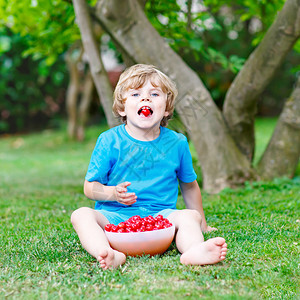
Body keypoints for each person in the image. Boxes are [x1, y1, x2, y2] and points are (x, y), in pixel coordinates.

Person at [71, 64, 227, 270]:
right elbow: (90, 187)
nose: (145, 99)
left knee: (190, 217)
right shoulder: (109, 141)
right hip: (115, 220)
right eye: (136, 94)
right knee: (81, 215)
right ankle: (109, 253)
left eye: (154, 94)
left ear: (167, 108)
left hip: (161, 218)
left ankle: (193, 250)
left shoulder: (177, 143)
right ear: (121, 108)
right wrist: (112, 194)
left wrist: (203, 224)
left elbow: (189, 185)